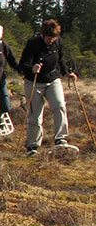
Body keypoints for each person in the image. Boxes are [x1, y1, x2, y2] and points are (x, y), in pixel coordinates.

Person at [19, 19, 77, 156]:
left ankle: (60, 139)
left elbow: (61, 60)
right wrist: (32, 68)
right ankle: (33, 145)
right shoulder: (33, 43)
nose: (51, 40)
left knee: (59, 106)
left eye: (54, 37)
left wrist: (67, 73)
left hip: (53, 80)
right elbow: (23, 64)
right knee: (36, 114)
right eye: (49, 38)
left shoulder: (58, 42)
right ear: (43, 35)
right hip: (34, 82)